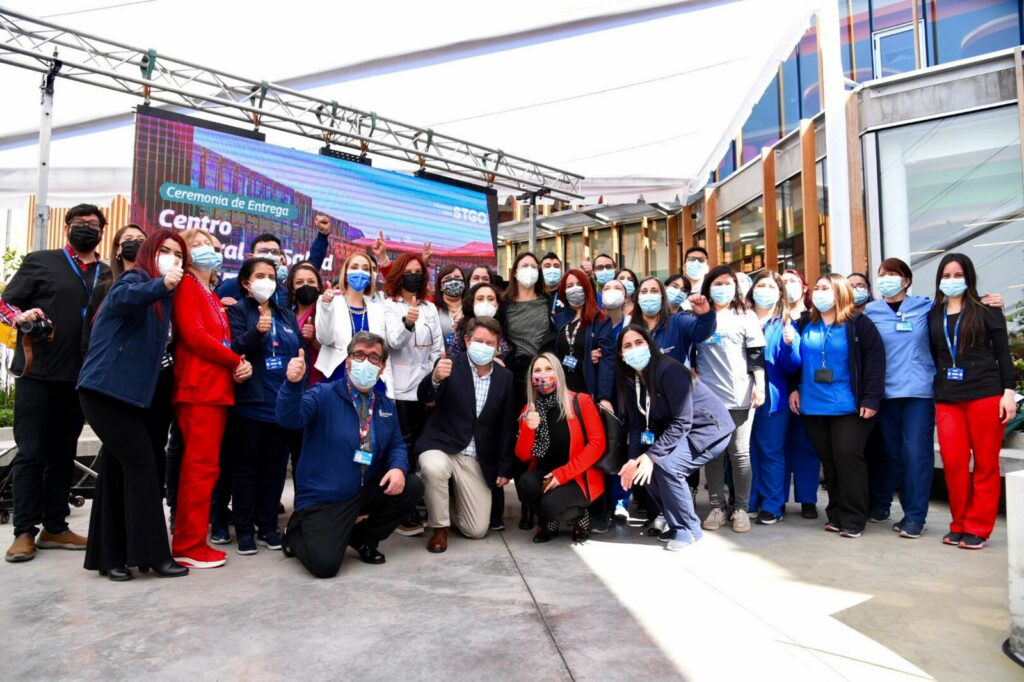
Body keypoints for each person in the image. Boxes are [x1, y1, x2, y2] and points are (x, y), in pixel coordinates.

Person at [76, 229, 190, 580]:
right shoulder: (135, 280)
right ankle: (154, 555)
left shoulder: (165, 297)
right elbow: (125, 299)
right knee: (143, 466)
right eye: (165, 250)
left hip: (131, 398)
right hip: (105, 392)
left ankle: (108, 557)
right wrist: (162, 285)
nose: (172, 258)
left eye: (178, 254)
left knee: (116, 470)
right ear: (148, 252)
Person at [2, 204, 112, 563]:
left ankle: (55, 526)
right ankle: (24, 532)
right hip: (38, 373)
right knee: (31, 452)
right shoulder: (41, 261)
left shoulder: (108, 273)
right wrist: (20, 317)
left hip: (80, 378)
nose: (86, 228)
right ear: (66, 227)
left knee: (64, 453)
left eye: (93, 224)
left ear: (102, 231)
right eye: (79, 223)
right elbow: (5, 303)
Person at [865, 257, 1003, 539]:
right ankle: (908, 511)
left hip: (920, 393)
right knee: (894, 457)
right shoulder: (870, 311)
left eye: (893, 274)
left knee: (917, 455)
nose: (887, 279)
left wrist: (991, 303)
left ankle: (916, 516)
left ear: (906, 280)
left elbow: (959, 313)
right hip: (886, 395)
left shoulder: (925, 307)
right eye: (882, 274)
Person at [277, 333, 424, 577]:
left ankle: (362, 537)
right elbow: (289, 419)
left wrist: (398, 468)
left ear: (381, 367)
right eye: (359, 355)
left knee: (412, 486)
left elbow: (397, 444)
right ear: (348, 362)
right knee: (325, 566)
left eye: (373, 357)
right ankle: (293, 532)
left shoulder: (385, 405)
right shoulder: (322, 394)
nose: (365, 361)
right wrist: (292, 385)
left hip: (363, 489)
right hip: (325, 496)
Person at [171, 230, 252, 568]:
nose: (209, 250)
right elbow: (195, 336)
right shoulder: (187, 286)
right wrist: (235, 361)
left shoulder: (211, 294)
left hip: (215, 389)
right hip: (198, 389)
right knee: (199, 467)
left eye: (213, 246)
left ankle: (192, 540)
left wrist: (237, 365)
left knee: (206, 467)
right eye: (199, 245)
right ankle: (188, 544)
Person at [616, 325, 734, 550]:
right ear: (621, 355)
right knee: (645, 470)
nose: (634, 349)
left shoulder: (668, 370)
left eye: (639, 343)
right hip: (682, 430)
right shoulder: (631, 379)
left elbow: (683, 421)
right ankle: (674, 522)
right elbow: (637, 424)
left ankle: (688, 529)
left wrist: (651, 456)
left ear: (650, 345)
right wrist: (634, 459)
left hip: (709, 429)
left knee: (668, 466)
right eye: (627, 346)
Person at [928, 253, 1016, 550]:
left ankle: (978, 527)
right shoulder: (934, 314)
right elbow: (936, 355)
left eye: (958, 275)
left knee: (986, 463)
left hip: (985, 395)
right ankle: (959, 524)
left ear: (969, 277)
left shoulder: (987, 309)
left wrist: (1008, 392)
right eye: (946, 276)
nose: (952, 280)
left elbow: (1003, 353)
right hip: (948, 398)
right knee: (953, 463)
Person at [789, 274, 885, 538]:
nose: (820, 292)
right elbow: (794, 360)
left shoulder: (859, 324)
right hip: (813, 405)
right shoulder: (806, 323)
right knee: (829, 462)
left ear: (840, 292)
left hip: (849, 405)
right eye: (817, 288)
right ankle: (836, 514)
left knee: (847, 457)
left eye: (826, 288)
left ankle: (854, 518)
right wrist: (793, 388)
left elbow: (875, 361)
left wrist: (871, 398)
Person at [415, 317, 516, 553]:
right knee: (433, 468)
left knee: (476, 530)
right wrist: (435, 378)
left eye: (490, 343)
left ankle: (443, 502)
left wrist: (504, 467)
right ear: (468, 341)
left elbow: (506, 425)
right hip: (442, 446)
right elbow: (425, 397)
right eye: (479, 341)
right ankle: (440, 528)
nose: (484, 346)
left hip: (475, 456)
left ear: (497, 346)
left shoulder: (505, 377)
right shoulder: (449, 365)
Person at [225, 257, 304, 555]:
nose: (267, 281)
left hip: (281, 405)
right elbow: (234, 348)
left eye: (271, 276)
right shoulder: (238, 310)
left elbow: (297, 350)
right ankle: (245, 530)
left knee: (274, 470)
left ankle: (268, 526)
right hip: (250, 404)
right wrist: (257, 331)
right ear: (246, 283)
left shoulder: (286, 314)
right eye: (260, 276)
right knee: (246, 470)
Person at [695, 265, 766, 534]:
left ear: (736, 287)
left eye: (728, 283)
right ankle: (716, 506)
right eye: (717, 283)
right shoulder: (699, 316)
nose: (723, 288)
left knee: (739, 453)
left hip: (740, 395)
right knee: (713, 454)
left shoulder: (745, 316)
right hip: (708, 398)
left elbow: (756, 355)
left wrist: (759, 386)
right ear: (708, 287)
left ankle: (741, 508)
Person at [382, 253, 442, 536]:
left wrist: (434, 384)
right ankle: (402, 509)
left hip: (424, 388)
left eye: (419, 271)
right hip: (399, 390)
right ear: (399, 275)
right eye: (409, 271)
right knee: (402, 448)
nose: (414, 276)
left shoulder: (429, 308)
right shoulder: (388, 306)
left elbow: (436, 348)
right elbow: (392, 342)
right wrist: (407, 322)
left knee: (422, 447)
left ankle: (419, 501)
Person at [515, 353, 605, 542]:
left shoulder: (581, 401)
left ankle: (580, 517)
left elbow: (597, 444)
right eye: (537, 370)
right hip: (548, 474)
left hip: (578, 475)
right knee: (525, 483)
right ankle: (549, 521)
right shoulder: (529, 410)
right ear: (531, 378)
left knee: (551, 505)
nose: (543, 375)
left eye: (549, 369)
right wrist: (528, 428)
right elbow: (523, 456)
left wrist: (562, 474)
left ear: (558, 373)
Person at [747, 271, 800, 524]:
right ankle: (748, 501)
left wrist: (790, 346)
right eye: (761, 285)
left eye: (771, 286)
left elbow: (792, 366)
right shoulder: (741, 319)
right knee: (745, 451)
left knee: (770, 451)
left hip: (772, 397)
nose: (765, 291)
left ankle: (772, 505)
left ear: (780, 294)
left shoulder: (784, 324)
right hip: (740, 396)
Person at [215, 215, 332, 307]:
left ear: (280, 259)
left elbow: (310, 266)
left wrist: (322, 236)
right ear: (251, 257)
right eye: (264, 251)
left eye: (274, 252)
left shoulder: (284, 292)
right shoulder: (232, 286)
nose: (269, 255)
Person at [315, 253, 391, 389]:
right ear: (345, 274)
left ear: (370, 277)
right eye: (355, 267)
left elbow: (382, 351)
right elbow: (325, 339)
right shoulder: (330, 302)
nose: (360, 272)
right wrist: (326, 306)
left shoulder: (378, 309)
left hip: (370, 378)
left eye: (365, 268)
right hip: (338, 374)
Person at [780, 267, 820, 519]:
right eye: (783, 281)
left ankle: (808, 499)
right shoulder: (773, 318)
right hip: (776, 390)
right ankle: (778, 498)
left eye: (793, 281)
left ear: (804, 287)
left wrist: (797, 387)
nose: (788, 285)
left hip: (806, 390)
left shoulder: (813, 318)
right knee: (779, 447)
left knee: (806, 446)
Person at [553, 269, 615, 411]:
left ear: (587, 287)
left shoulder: (600, 319)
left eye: (579, 284)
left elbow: (607, 359)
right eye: (569, 286)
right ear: (564, 292)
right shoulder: (558, 320)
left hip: (588, 392)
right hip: (563, 393)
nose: (575, 289)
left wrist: (604, 397)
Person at [503, 252, 555, 412]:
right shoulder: (504, 304)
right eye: (525, 266)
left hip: (546, 368)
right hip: (517, 370)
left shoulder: (548, 301)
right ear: (515, 272)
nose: (530, 269)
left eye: (534, 266)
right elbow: (497, 335)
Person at [82, 224, 146, 348]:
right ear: (118, 249)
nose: (135, 242)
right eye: (128, 239)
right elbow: (90, 328)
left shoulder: (156, 282)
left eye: (141, 240)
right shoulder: (105, 285)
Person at [635, 276, 715, 365]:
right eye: (644, 292)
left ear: (662, 297)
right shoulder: (632, 327)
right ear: (637, 298)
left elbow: (701, 331)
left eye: (654, 291)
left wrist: (706, 315)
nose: (649, 296)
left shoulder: (678, 321)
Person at [448, 282, 513, 363]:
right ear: (472, 303)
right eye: (480, 299)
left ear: (497, 305)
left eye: (491, 299)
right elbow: (453, 361)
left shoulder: (504, 327)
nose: (486, 303)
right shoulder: (462, 331)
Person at [288, 261, 325, 386]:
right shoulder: (286, 315)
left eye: (311, 282)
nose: (306, 286)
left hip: (317, 382)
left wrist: (313, 339)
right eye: (299, 282)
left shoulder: (325, 313)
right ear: (293, 289)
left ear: (318, 286)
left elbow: (336, 353)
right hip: (291, 379)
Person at [436, 264, 466, 353]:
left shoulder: (471, 309)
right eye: (448, 278)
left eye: (457, 277)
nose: (453, 281)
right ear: (441, 286)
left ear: (464, 283)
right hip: (440, 359)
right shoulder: (434, 309)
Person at [541, 252, 564, 317]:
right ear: (540, 270)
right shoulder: (534, 294)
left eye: (556, 266)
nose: (552, 269)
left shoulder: (567, 293)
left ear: (561, 271)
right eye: (547, 266)